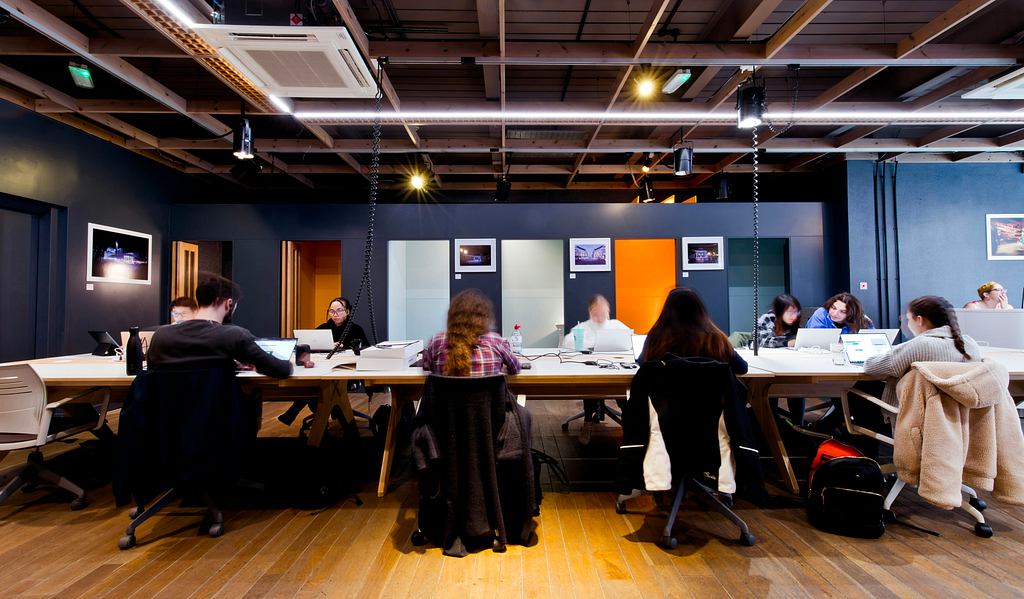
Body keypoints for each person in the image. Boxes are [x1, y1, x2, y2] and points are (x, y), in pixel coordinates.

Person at [799, 296, 982, 458]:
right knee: (868, 391)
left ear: (919, 320)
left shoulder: (918, 346)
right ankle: (832, 432)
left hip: (913, 415)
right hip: (960, 417)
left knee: (854, 392)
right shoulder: (970, 345)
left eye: (907, 319)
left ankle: (867, 461)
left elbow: (873, 367)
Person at [148, 276, 293, 379]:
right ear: (228, 303)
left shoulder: (161, 335)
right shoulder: (235, 336)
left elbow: (153, 372)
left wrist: (231, 366)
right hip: (217, 416)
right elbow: (281, 370)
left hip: (167, 416)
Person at [641, 286, 747, 376]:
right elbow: (742, 368)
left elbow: (643, 364)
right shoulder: (716, 338)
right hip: (709, 399)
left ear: (667, 311)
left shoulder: (657, 336)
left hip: (667, 399)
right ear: (700, 310)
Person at [423, 289, 520, 376]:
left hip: (444, 396)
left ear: (452, 315)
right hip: (488, 396)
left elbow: (428, 366)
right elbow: (515, 368)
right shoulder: (495, 341)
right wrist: (500, 368)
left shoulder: (437, 341)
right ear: (484, 317)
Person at [749, 294, 804, 424]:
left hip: (790, 365)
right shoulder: (766, 319)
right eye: (789, 312)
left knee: (797, 387)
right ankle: (772, 423)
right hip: (767, 365)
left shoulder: (794, 323)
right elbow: (756, 342)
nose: (793, 316)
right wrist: (786, 343)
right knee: (771, 389)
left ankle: (799, 425)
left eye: (796, 312)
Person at [562, 294, 631, 351]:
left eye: (603, 314)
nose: (599, 318)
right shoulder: (582, 327)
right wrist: (596, 344)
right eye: (595, 314)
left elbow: (632, 340)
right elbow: (567, 342)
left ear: (608, 311)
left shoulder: (617, 325)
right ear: (589, 312)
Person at [806, 292, 874, 333]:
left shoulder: (860, 319)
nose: (835, 313)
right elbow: (814, 339)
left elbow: (872, 338)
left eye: (843, 311)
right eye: (833, 308)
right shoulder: (821, 314)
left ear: (852, 314)